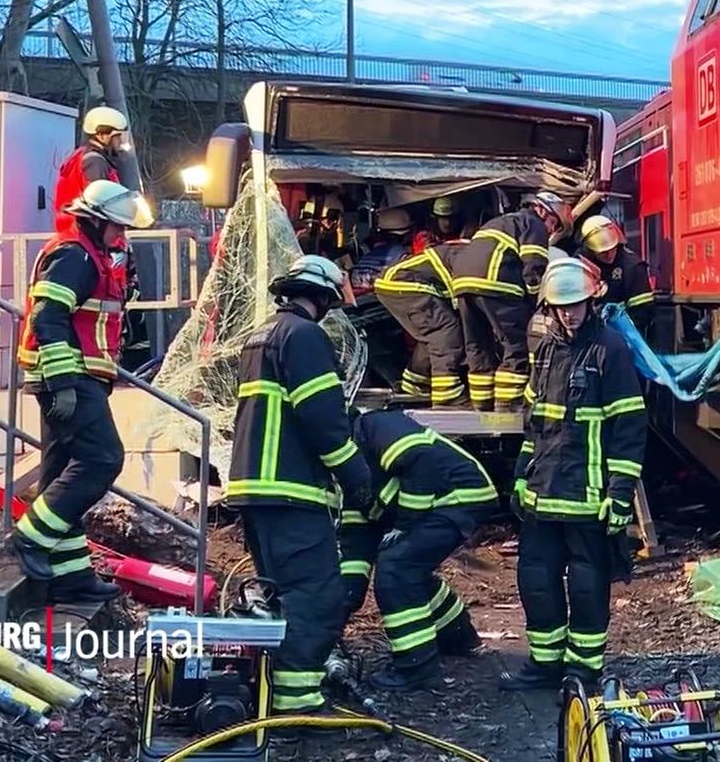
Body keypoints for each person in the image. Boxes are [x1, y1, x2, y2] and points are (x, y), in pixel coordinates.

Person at [227, 254, 375, 717]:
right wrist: (357, 476)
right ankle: (296, 702)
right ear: (324, 297)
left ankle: (275, 689)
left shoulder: (262, 334)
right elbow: (322, 419)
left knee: (281, 593)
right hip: (291, 488)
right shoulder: (305, 336)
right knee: (317, 596)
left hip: (255, 488)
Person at [501, 257, 646, 692]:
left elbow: (629, 427)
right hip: (543, 495)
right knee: (536, 580)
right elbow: (536, 424)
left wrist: (619, 494)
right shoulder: (546, 351)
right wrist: (521, 475)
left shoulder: (610, 350)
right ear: (549, 307)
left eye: (576, 304)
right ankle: (545, 666)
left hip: (588, 497)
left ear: (590, 301)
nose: (569, 313)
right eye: (561, 306)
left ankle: (583, 670)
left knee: (587, 586)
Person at [12, 179, 153, 602]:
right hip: (69, 377)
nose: (121, 235)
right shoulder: (74, 256)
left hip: (77, 376)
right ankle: (31, 535)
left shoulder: (88, 255)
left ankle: (68, 576)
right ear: (94, 221)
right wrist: (62, 383)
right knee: (102, 459)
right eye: (117, 227)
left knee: (60, 473)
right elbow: (48, 318)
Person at [350, 407, 495, 690]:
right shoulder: (348, 465)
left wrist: (405, 524)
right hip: (438, 504)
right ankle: (458, 637)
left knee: (397, 569)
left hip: (458, 495)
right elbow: (357, 533)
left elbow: (420, 457)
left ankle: (416, 669)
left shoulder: (376, 426)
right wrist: (348, 593)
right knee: (410, 569)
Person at [451, 190, 570, 412]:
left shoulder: (501, 222)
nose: (551, 230)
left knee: (478, 346)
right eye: (553, 223)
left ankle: (482, 406)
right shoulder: (533, 224)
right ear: (541, 210)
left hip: (462, 285)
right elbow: (534, 267)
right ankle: (508, 408)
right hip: (496, 285)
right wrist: (536, 304)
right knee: (517, 347)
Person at [373, 232, 466, 406]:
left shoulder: (467, 249)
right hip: (404, 282)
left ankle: (415, 383)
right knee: (446, 331)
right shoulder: (470, 254)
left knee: (431, 336)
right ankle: (448, 395)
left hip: (393, 281)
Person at [53, 107, 129, 239]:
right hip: (90, 234)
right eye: (117, 137)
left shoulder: (82, 156)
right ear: (101, 135)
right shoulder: (95, 162)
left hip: (75, 232)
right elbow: (100, 202)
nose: (120, 143)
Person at [575, 216, 656, 335]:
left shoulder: (633, 267)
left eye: (612, 248)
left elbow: (643, 312)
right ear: (590, 249)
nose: (609, 255)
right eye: (602, 252)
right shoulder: (578, 265)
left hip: (623, 334)